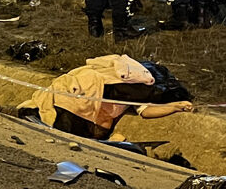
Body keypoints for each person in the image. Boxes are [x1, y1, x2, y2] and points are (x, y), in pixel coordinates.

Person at [17, 55, 194, 141]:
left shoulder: (129, 95)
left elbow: (145, 111)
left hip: (88, 139)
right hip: (66, 124)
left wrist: (175, 106)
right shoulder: (96, 84)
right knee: (25, 116)